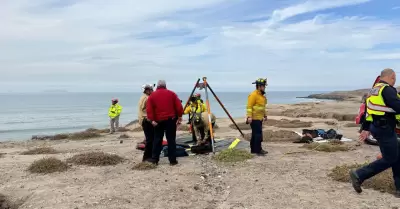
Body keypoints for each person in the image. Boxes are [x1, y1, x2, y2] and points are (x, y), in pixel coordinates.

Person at [352, 68, 400, 198]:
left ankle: (399, 188)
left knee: (397, 155)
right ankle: (360, 174)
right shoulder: (388, 90)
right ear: (391, 76)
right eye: (394, 78)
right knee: (390, 158)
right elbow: (398, 106)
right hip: (384, 128)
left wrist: (366, 128)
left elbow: (368, 112)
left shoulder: (373, 90)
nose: (395, 81)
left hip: (377, 127)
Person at [146, 80, 183, 165]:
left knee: (157, 140)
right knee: (171, 140)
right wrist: (180, 116)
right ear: (165, 85)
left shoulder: (152, 95)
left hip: (158, 121)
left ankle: (155, 159)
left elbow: (149, 109)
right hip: (170, 120)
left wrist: (152, 120)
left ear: (157, 86)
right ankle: (172, 160)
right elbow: (178, 106)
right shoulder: (172, 94)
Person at [246, 78, 268, 156]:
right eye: (263, 86)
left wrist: (264, 115)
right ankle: (258, 150)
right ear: (259, 86)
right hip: (254, 118)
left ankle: (254, 150)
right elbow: (249, 106)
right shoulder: (253, 95)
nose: (264, 87)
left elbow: (262, 107)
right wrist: (249, 117)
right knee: (258, 134)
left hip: (259, 118)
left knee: (255, 134)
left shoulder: (262, 96)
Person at [138, 84, 154, 162]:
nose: (152, 91)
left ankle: (149, 156)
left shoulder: (143, 97)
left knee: (149, 139)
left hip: (143, 120)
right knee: (150, 140)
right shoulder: (147, 98)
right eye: (151, 90)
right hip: (147, 120)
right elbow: (148, 111)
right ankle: (147, 157)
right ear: (147, 90)